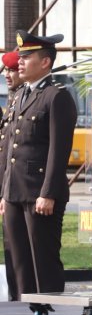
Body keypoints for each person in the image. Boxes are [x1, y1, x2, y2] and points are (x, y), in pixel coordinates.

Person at [0, 31, 77, 305]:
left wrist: (48, 192)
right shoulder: (19, 94)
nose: (20, 62)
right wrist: (4, 192)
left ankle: (50, 307)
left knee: (42, 257)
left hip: (39, 192)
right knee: (18, 258)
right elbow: (10, 148)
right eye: (20, 57)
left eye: (27, 57)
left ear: (45, 63)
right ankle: (24, 309)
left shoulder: (56, 97)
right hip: (14, 190)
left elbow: (59, 150)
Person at [0, 50, 24, 300]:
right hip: (6, 187)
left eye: (13, 70)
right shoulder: (13, 101)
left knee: (19, 251)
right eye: (6, 70)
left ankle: (21, 299)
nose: (8, 75)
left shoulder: (24, 99)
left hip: (17, 188)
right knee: (11, 250)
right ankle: (15, 298)